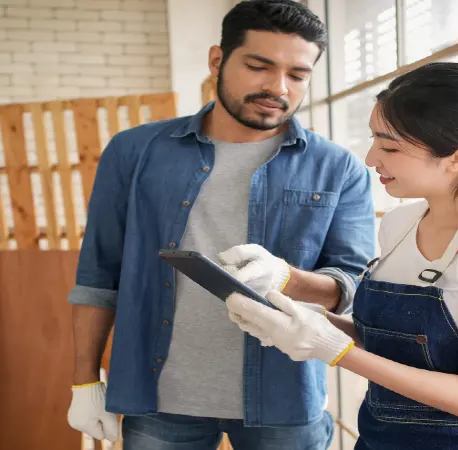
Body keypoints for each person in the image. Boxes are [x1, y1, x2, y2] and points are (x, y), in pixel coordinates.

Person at [222, 62, 458, 450]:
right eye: (374, 140)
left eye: (390, 146)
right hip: (384, 436)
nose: (370, 158)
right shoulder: (400, 225)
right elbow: (399, 344)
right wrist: (305, 320)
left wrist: (332, 348)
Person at [65, 1, 375, 449]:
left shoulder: (338, 168)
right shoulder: (133, 151)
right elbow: (98, 277)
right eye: (258, 66)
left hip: (285, 399)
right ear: (217, 60)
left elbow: (350, 285)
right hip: (159, 400)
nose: (278, 87)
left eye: (298, 75)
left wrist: (287, 278)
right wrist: (83, 381)